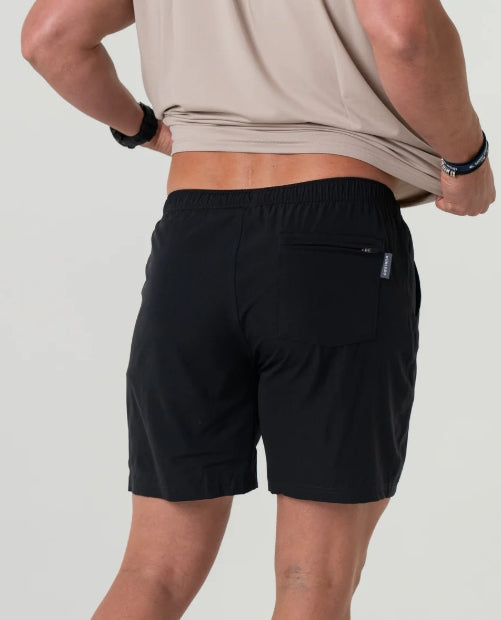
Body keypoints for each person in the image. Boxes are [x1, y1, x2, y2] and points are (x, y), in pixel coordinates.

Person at [21, 1, 495, 619]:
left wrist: (143, 128)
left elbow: (49, 38)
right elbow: (404, 31)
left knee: (152, 572)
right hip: (333, 235)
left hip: (193, 237)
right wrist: (466, 160)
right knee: (312, 580)